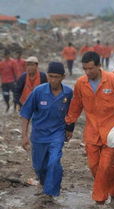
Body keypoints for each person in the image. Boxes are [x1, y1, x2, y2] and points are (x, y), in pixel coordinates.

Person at [65, 51, 114, 204]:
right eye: (85, 69)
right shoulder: (81, 83)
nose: (87, 72)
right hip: (92, 132)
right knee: (94, 165)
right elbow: (75, 106)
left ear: (99, 66)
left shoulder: (113, 80)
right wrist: (69, 125)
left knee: (105, 166)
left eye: (91, 68)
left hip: (113, 133)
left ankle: (99, 199)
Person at [20, 62, 73, 199]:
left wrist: (69, 129)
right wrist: (24, 136)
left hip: (57, 134)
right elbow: (25, 113)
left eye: (57, 77)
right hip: (38, 135)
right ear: (47, 76)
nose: (53, 80)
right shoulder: (38, 92)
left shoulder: (68, 93)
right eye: (50, 76)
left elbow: (73, 112)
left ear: (63, 77)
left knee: (54, 162)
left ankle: (50, 194)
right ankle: (45, 183)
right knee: (39, 167)